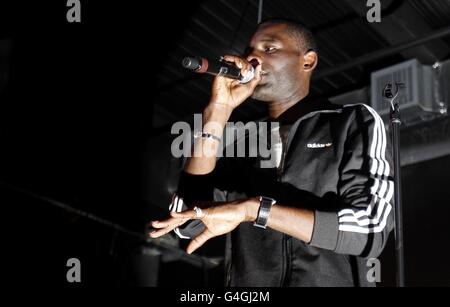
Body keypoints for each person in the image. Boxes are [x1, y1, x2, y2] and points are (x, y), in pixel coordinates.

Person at [149, 18, 394, 287]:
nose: (253, 58)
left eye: (269, 49)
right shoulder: (241, 142)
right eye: (249, 51)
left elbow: (371, 229)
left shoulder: (351, 121)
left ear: (308, 61)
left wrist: (255, 210)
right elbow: (187, 222)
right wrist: (217, 112)